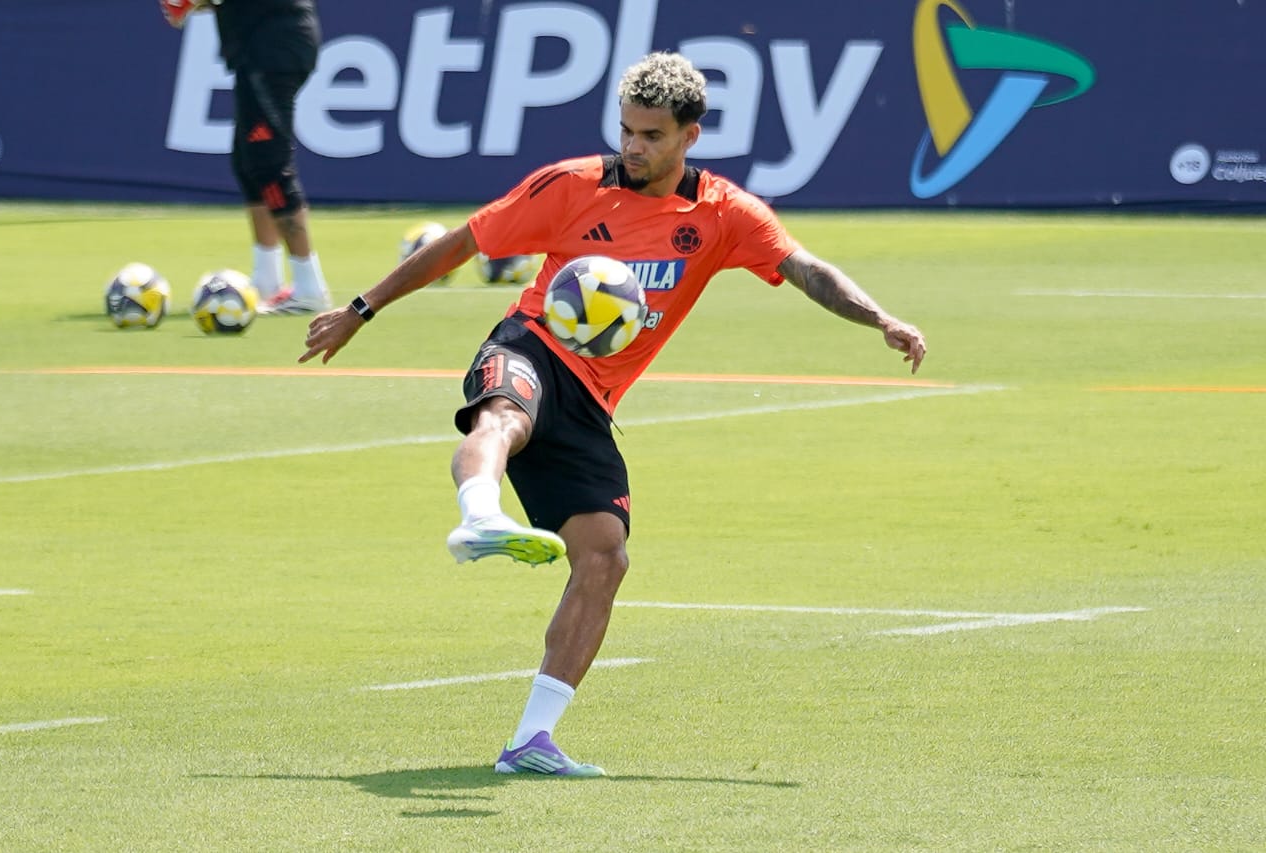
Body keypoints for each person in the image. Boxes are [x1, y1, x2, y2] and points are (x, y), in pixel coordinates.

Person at [299, 52, 926, 777]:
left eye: (651, 135)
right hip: (532, 343)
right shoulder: (571, 186)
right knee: (503, 414)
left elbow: (805, 268)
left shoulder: (723, 214)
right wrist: (360, 309)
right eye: (626, 130)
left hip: (594, 402)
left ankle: (531, 741)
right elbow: (466, 242)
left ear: (690, 135)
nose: (632, 147)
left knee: (604, 553)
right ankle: (479, 514)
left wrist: (880, 318)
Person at [162, 0, 332, 315]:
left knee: (269, 165)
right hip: (259, 48)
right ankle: (266, 280)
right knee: (248, 162)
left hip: (275, 48)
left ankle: (310, 288)